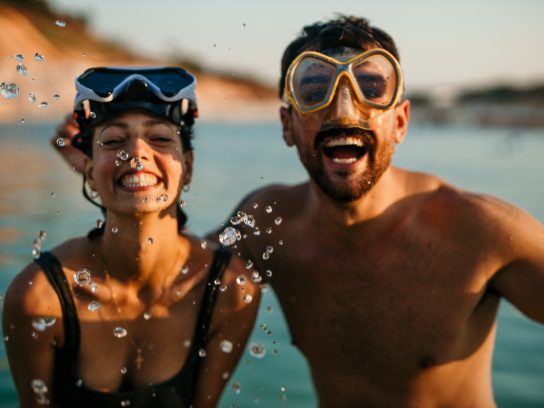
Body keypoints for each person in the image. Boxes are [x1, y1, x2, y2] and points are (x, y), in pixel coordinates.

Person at [49, 16, 544, 407]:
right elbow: (172, 272)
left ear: (400, 121)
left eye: (371, 88)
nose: (343, 109)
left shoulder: (481, 231)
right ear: (288, 125)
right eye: (315, 90)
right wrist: (109, 172)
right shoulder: (270, 224)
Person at [3, 66, 260, 408]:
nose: (137, 153)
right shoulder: (39, 296)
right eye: (113, 141)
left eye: (160, 138)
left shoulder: (228, 290)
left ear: (188, 167)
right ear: (90, 173)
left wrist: (116, 167)